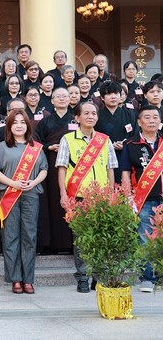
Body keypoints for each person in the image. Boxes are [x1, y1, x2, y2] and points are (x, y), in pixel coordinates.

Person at [56, 102, 117, 293]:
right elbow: (62, 168)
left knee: (100, 238)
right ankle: (82, 277)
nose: (91, 116)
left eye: (94, 114)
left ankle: (98, 277)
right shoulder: (68, 139)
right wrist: (63, 194)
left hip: (100, 197)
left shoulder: (104, 140)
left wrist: (111, 193)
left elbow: (110, 168)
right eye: (86, 113)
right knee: (81, 239)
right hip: (78, 196)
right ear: (77, 117)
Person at [0, 109, 48, 294]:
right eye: (15, 122)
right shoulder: (2, 147)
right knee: (10, 237)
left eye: (22, 122)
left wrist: (33, 182)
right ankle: (15, 279)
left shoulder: (36, 147)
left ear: (28, 125)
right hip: (8, 194)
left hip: (31, 194)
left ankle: (28, 279)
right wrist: (13, 183)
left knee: (29, 237)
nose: (19, 125)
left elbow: (44, 170)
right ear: (9, 126)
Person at [120, 105, 162, 293]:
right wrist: (129, 198)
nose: (152, 120)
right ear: (139, 122)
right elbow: (126, 173)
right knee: (145, 239)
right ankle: (148, 277)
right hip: (144, 199)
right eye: (147, 117)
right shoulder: (131, 144)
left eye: (155, 117)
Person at [34, 87, 75, 252]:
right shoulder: (45, 121)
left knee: (70, 198)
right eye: (58, 97)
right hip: (51, 164)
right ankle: (52, 243)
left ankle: (70, 242)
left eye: (65, 96)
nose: (62, 99)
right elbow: (36, 142)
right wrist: (49, 146)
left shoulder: (74, 119)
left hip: (71, 165)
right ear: (52, 101)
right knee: (52, 200)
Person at [95, 81, 138, 183]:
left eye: (116, 93)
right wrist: (109, 145)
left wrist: (126, 144)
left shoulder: (130, 114)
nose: (113, 97)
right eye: (109, 94)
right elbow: (94, 136)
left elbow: (136, 135)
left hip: (125, 155)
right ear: (102, 98)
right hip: (104, 156)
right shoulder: (97, 116)